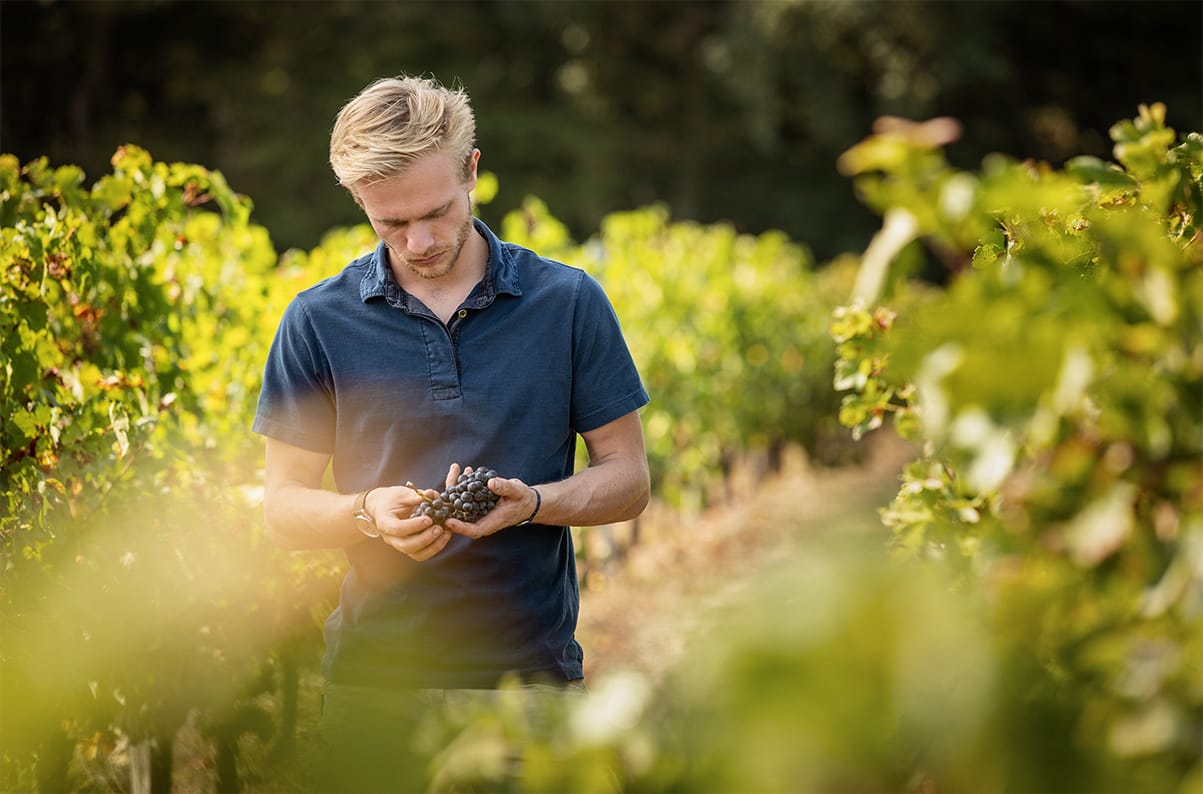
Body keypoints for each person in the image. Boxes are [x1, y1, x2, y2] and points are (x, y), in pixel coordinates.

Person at [252, 74, 650, 791]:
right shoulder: (316, 321)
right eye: (390, 224)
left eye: (435, 212)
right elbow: (280, 507)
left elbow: (628, 477)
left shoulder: (567, 302)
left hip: (527, 688)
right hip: (371, 689)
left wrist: (532, 502)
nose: (420, 241)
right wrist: (362, 513)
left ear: (472, 170)